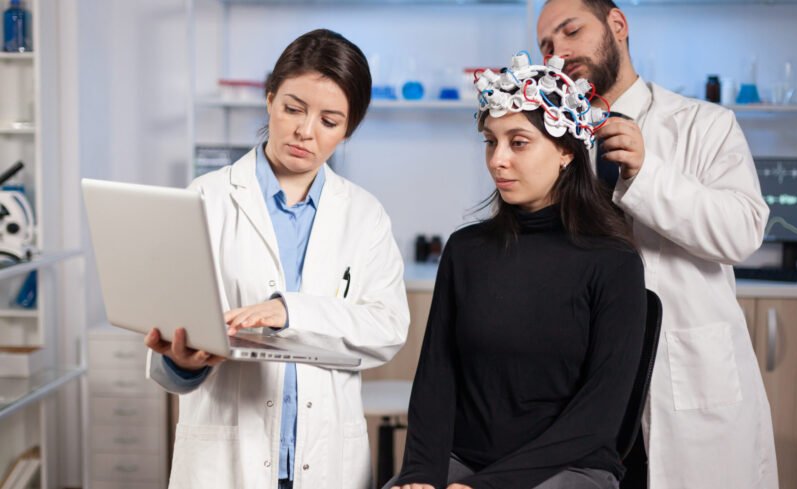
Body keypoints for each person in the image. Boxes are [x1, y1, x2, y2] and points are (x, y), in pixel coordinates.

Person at [143, 29, 410, 489]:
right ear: (269, 100)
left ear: (348, 129)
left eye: (329, 121)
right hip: (223, 461)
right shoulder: (204, 199)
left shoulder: (364, 216)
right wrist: (183, 362)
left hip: (329, 462)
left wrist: (291, 312)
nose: (306, 131)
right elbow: (168, 339)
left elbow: (387, 330)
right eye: (293, 109)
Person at [537, 2, 778, 488]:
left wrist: (648, 174)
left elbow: (742, 231)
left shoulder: (704, 125)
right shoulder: (555, 142)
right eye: (546, 46)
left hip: (685, 383)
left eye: (570, 31)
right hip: (587, 391)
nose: (559, 52)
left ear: (618, 26)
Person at [387, 54, 646, 489]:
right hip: (465, 462)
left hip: (571, 466)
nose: (497, 160)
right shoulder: (466, 250)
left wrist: (486, 487)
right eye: (491, 141)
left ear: (566, 150)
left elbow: (598, 418)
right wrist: (419, 474)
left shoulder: (614, 262)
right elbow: (437, 378)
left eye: (518, 142)